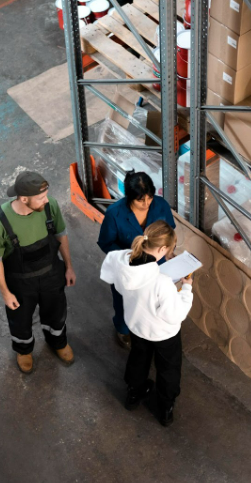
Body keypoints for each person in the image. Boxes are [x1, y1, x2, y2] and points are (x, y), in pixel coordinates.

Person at [100, 220, 193, 426]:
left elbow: (118, 280)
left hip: (137, 326)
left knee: (138, 359)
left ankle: (134, 394)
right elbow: (175, 314)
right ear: (161, 249)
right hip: (163, 334)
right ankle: (165, 408)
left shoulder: (122, 260)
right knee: (168, 369)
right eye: (168, 249)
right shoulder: (162, 282)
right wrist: (186, 288)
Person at [0, 171, 77, 374]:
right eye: (41, 197)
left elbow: (61, 234)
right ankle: (24, 350)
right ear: (24, 199)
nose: (47, 200)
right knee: (20, 319)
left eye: (46, 195)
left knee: (56, 312)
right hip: (20, 283)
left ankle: (58, 342)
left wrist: (69, 267)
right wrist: (6, 293)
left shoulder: (50, 206)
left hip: (52, 274)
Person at [97, 171, 176, 350]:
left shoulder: (160, 206)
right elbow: (105, 242)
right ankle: (123, 330)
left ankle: (151, 328)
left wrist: (169, 251)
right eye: (140, 200)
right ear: (130, 198)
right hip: (127, 269)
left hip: (157, 266)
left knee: (154, 300)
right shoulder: (115, 213)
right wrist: (128, 257)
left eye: (149, 198)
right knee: (124, 302)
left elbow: (169, 231)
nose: (146, 203)